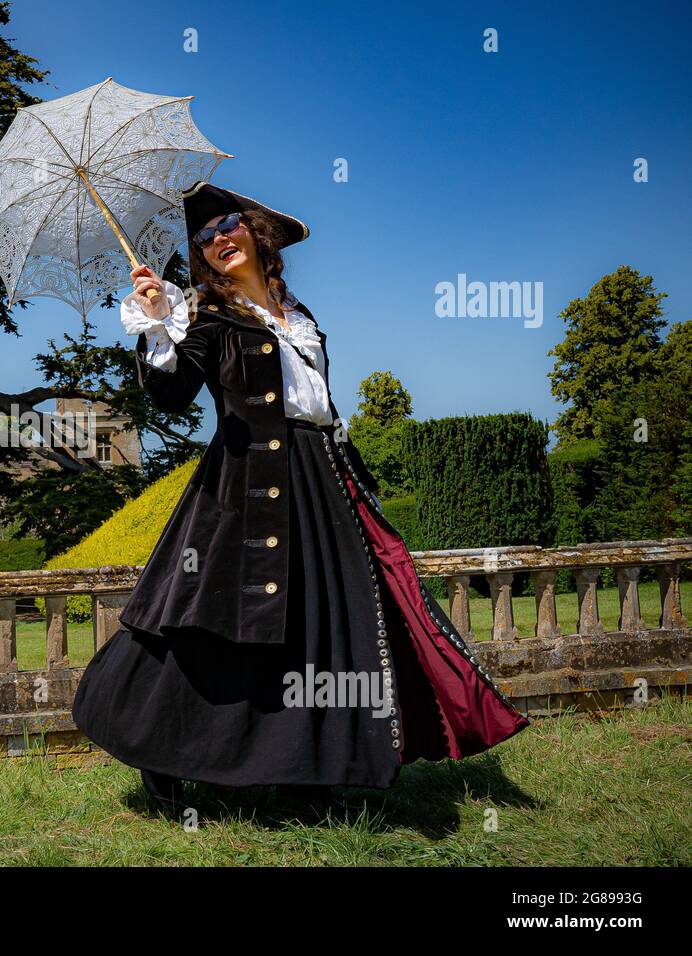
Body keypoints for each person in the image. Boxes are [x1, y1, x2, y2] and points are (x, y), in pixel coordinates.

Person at [71, 180, 530, 810]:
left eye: (227, 225)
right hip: (243, 488)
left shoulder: (302, 317)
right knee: (213, 624)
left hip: (321, 478)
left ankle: (301, 766)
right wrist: (156, 325)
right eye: (203, 238)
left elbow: (322, 408)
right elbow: (173, 395)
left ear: (256, 233)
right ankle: (161, 747)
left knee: (317, 624)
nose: (215, 240)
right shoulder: (208, 319)